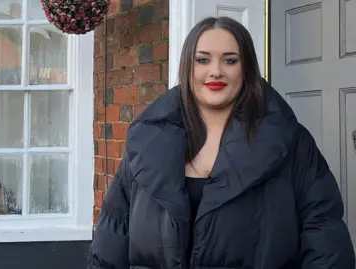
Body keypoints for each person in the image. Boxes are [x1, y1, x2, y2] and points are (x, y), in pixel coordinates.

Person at [87, 16, 355, 269]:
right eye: (202, 60)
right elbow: (112, 236)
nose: (215, 71)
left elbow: (326, 241)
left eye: (230, 61)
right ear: (187, 67)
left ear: (246, 68)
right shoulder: (146, 142)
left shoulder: (291, 142)